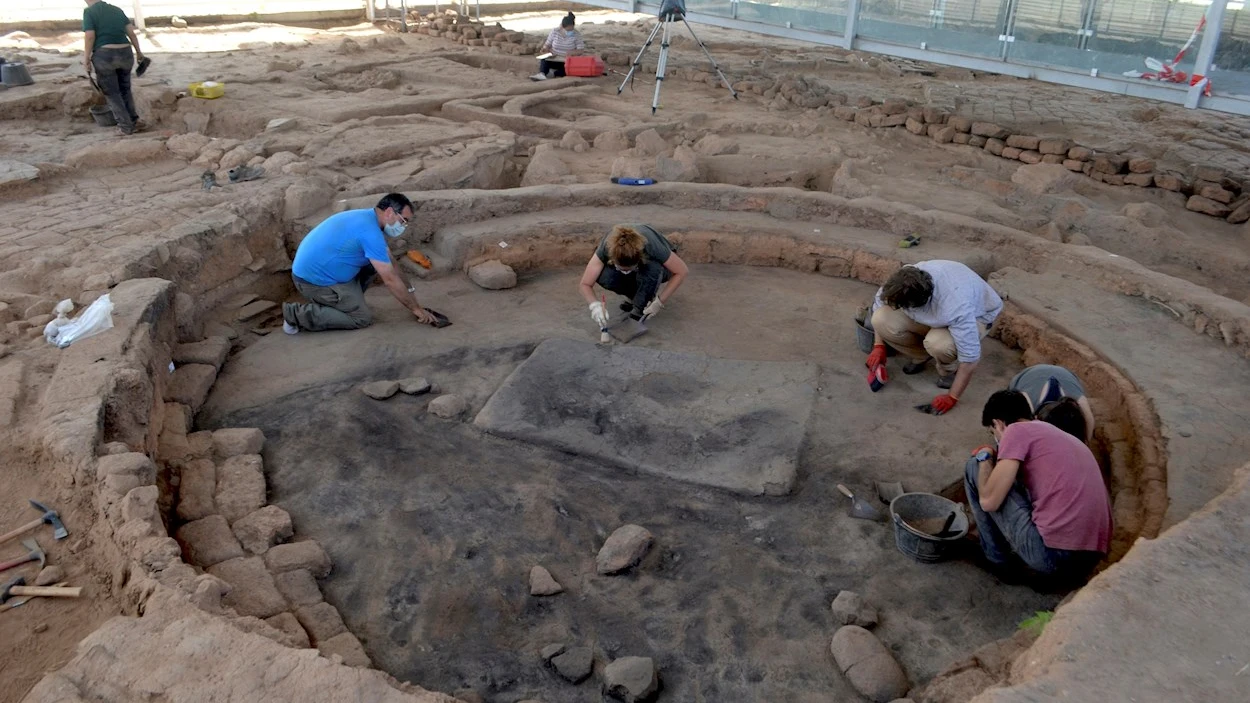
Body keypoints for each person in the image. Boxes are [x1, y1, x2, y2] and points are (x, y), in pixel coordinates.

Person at [964, 390, 1111, 585]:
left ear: (998, 423)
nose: (997, 439)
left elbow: (989, 501)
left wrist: (985, 456)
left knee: (974, 465)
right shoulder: (1061, 437)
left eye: (994, 433)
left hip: (1052, 557)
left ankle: (996, 559)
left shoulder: (1016, 430)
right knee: (1010, 481)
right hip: (1088, 561)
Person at [282, 193, 437, 334]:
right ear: (389, 212)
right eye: (403, 220)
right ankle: (295, 315)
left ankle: (345, 304)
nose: (403, 226)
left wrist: (410, 291)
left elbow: (392, 263)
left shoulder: (366, 218)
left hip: (322, 271)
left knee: (375, 264)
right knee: (361, 318)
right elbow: (390, 279)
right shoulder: (370, 233)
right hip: (314, 282)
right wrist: (416, 309)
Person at [864, 261, 1003, 415]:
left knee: (938, 344)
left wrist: (952, 397)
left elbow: (970, 359)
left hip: (979, 316)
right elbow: (879, 305)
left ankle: (949, 370)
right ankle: (921, 356)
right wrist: (879, 346)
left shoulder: (956, 306)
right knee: (880, 318)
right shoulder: (899, 282)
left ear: (916, 304)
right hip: (937, 309)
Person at [579, 224, 689, 329]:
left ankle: (639, 308)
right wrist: (594, 306)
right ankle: (635, 298)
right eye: (621, 269)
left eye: (630, 269)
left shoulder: (651, 245)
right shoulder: (607, 247)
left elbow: (682, 271)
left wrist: (659, 302)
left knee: (652, 268)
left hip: (663, 268)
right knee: (604, 275)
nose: (626, 272)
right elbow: (585, 284)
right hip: (633, 265)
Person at [82, 0, 146, 135]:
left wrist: (86, 58)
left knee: (112, 93)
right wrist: (139, 53)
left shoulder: (89, 12)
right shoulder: (117, 10)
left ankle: (125, 126)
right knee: (125, 89)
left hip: (105, 55)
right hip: (126, 53)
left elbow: (90, 36)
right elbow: (132, 33)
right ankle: (135, 121)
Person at [1009, 364, 1095, 443]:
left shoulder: (1084, 414)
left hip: (1067, 376)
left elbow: (1083, 444)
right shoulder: (1023, 404)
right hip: (1029, 375)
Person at [531, 12, 585, 81]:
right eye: (568, 30)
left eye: (571, 30)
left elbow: (581, 50)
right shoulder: (555, 31)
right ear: (562, 27)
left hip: (567, 61)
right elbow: (547, 44)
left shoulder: (577, 34)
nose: (570, 32)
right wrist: (545, 49)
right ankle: (542, 73)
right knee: (544, 59)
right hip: (554, 58)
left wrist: (572, 52)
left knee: (573, 69)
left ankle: (554, 73)